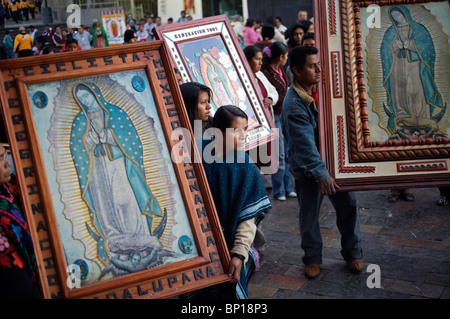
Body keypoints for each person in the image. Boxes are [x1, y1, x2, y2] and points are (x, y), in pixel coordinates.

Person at [281, 46, 363, 278]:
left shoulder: (326, 89)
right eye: (311, 65)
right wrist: (321, 174)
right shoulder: (294, 105)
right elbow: (304, 146)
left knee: (349, 207)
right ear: (297, 70)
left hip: (337, 165)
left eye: (319, 64)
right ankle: (313, 257)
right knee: (309, 215)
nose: (318, 69)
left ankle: (353, 251)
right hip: (309, 170)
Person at [184, 105, 271, 299]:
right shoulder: (192, 152)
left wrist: (239, 254)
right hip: (192, 247)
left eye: (245, 131)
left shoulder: (245, 166)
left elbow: (247, 218)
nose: (243, 137)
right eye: (237, 132)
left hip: (227, 248)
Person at [0, 144, 41, 298]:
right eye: (0, 158)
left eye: (6, 155)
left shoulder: (10, 185)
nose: (8, 162)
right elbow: (17, 281)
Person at [261, 42, 295, 201]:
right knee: (279, 154)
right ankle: (278, 190)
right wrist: (283, 97)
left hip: (283, 114)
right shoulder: (266, 73)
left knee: (287, 152)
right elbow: (274, 96)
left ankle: (288, 188)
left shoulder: (281, 70)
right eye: (286, 55)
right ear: (281, 57)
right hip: (274, 116)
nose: (287, 58)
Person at [244, 45, 278, 120]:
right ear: (247, 60)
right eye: (257, 59)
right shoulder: (241, 78)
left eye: (261, 59)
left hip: (268, 119)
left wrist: (270, 99)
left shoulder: (259, 74)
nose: (261, 63)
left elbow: (274, 91)